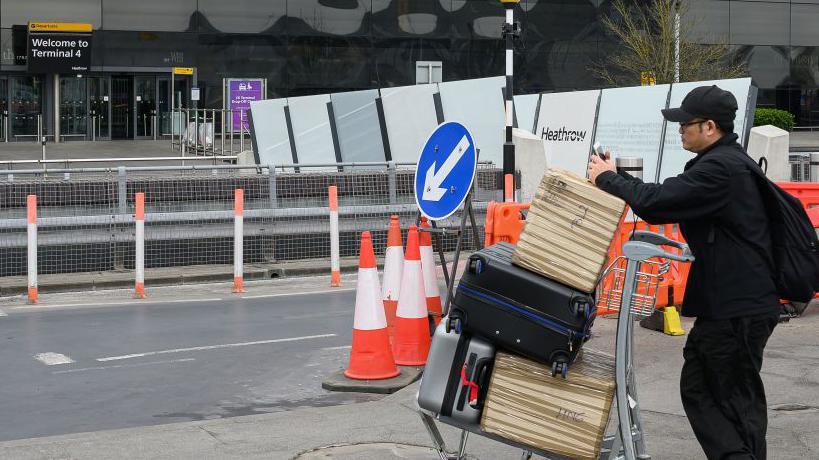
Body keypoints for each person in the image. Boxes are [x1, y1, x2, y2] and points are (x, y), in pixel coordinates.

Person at [587, 85, 779, 460]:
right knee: (719, 391)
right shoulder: (728, 164)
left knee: (723, 395)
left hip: (737, 307)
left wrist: (607, 177)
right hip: (736, 304)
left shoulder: (721, 169)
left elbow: (657, 202)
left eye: (685, 124)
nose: (679, 131)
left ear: (710, 127)